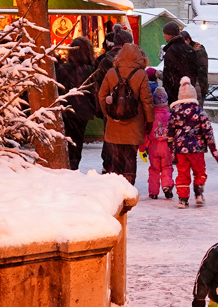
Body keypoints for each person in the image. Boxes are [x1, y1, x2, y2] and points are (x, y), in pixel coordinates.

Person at [96, 30, 155, 184]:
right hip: (134, 122)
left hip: (114, 123)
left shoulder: (111, 72)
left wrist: (108, 113)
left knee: (116, 158)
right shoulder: (141, 74)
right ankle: (129, 185)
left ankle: (116, 187)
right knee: (130, 158)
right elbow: (147, 100)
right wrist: (149, 121)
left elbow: (101, 96)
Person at [169, 76, 218, 207]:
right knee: (199, 171)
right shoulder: (199, 111)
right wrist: (213, 148)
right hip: (197, 148)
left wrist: (171, 146)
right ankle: (198, 193)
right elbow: (207, 130)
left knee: (182, 172)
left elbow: (170, 130)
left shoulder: (175, 112)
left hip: (181, 149)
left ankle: (183, 198)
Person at [54, 36, 97, 170]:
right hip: (82, 113)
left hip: (66, 110)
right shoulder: (90, 69)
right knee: (77, 142)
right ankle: (74, 166)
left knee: (66, 141)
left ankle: (67, 166)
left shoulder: (62, 69)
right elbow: (94, 92)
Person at [143, 67, 174, 199]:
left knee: (154, 168)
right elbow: (174, 132)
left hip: (153, 146)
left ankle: (153, 191)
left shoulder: (150, 117)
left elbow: (146, 132)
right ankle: (167, 186)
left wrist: (142, 147)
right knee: (167, 166)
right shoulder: (170, 116)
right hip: (166, 146)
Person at [159, 21, 209, 102]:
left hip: (176, 94)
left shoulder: (172, 50)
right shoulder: (189, 49)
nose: (164, 35)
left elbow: (170, 76)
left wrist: (169, 93)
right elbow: (193, 72)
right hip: (188, 92)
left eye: (165, 33)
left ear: (170, 34)